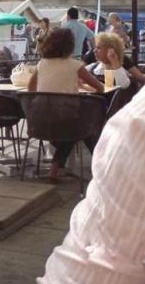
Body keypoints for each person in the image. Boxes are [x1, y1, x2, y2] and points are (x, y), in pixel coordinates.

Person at [38, 56, 145, 284]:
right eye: (96, 47)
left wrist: (114, 64)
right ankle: (83, 160)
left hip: (45, 121)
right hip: (83, 118)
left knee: (83, 135)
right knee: (85, 133)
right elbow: (99, 88)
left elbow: (122, 84)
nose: (96, 50)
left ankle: (64, 166)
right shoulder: (86, 65)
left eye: (100, 47)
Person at [27, 28, 103, 181]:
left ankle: (55, 170)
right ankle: (100, 164)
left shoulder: (42, 64)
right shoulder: (75, 65)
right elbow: (99, 88)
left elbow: (30, 88)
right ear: (70, 45)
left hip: (40, 122)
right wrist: (81, 87)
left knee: (73, 132)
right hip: (65, 120)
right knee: (82, 130)